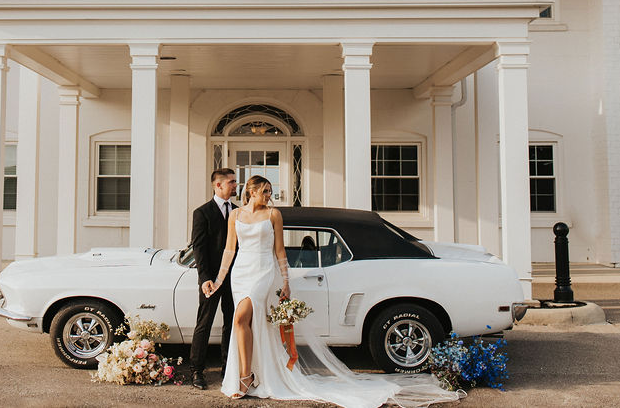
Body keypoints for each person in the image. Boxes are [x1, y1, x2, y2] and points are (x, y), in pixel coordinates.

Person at [204, 175, 461, 407]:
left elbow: (280, 250)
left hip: (263, 272)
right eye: (265, 191)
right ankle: (245, 374)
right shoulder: (236, 216)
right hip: (240, 273)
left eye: (271, 191)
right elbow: (229, 250)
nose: (269, 196)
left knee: (241, 317)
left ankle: (247, 377)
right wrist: (218, 280)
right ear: (252, 192)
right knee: (244, 322)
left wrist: (286, 280)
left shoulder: (273, 215)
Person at [189, 167, 238, 390]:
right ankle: (196, 371)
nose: (235, 186)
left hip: (234, 277)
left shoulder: (238, 211)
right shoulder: (202, 213)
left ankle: (228, 368)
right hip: (211, 279)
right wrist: (204, 278)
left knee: (232, 323)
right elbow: (198, 248)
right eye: (232, 182)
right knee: (204, 322)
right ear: (218, 185)